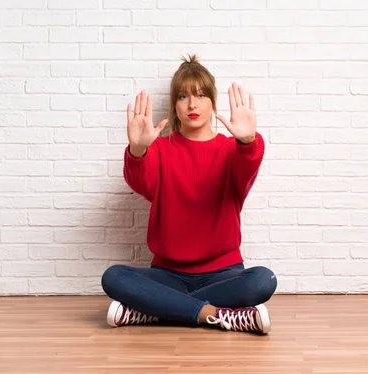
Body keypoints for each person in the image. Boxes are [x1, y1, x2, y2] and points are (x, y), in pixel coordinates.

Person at [100, 54, 277, 335]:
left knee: (263, 280)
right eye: (183, 96)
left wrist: (247, 141)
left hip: (225, 273)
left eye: (201, 95)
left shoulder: (232, 150)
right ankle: (217, 315)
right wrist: (137, 151)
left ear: (212, 102)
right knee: (114, 277)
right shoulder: (158, 149)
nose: (192, 104)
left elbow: (248, 165)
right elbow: (140, 182)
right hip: (167, 275)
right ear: (174, 105)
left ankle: (154, 311)